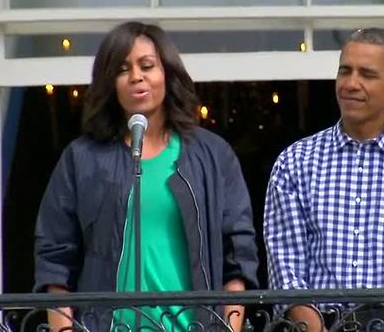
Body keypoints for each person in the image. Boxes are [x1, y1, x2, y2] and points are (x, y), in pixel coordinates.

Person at [34, 21, 259, 332]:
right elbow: (55, 260)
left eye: (147, 65)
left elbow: (238, 256)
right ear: (110, 83)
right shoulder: (82, 159)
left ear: (166, 72)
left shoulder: (212, 155)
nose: (136, 76)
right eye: (122, 69)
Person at [263, 28, 384, 332]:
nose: (351, 84)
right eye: (345, 71)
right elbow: (286, 271)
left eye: (367, 74)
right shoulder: (295, 162)